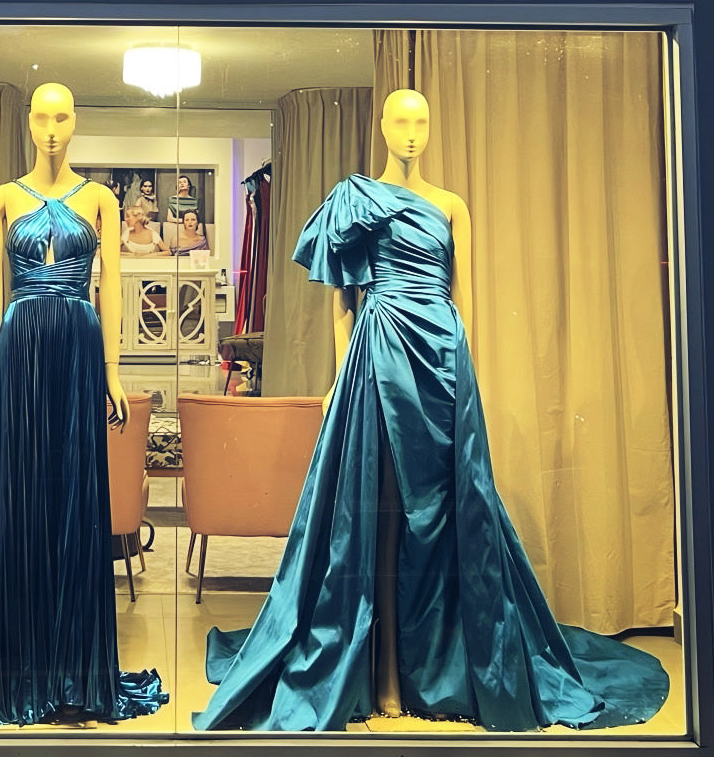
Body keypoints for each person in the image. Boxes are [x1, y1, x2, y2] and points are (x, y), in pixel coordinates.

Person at [194, 89, 670, 733]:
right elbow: (343, 301)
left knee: (449, 515)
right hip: (379, 349)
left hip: (442, 359)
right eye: (400, 122)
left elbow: (461, 298)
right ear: (383, 128)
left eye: (421, 123)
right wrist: (341, 375)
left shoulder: (452, 206)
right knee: (378, 517)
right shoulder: (356, 199)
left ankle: (448, 667)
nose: (411, 133)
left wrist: (463, 373)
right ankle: (382, 672)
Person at [0, 83, 165, 730]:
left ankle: (73, 671)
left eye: (62, 116)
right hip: (19, 355)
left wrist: (112, 371)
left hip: (78, 354)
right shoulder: (2, 199)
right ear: (29, 124)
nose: (51, 128)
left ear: (75, 123)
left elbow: (114, 292)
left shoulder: (101, 200)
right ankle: (14, 665)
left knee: (74, 500)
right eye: (42, 117)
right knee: (19, 499)